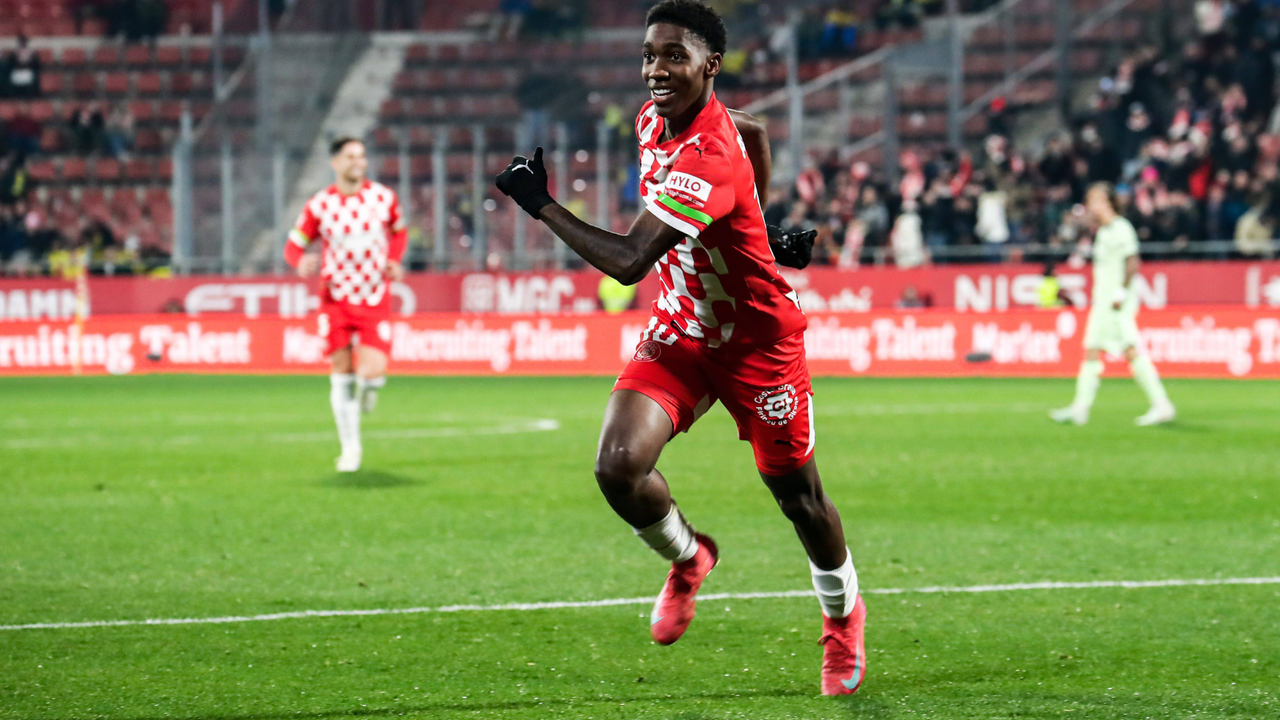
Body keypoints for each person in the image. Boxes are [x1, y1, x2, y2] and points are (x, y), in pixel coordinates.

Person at [493, 0, 865, 697]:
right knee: (617, 468)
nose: (655, 69)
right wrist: (760, 227)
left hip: (757, 345)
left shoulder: (709, 156)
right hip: (683, 328)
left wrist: (537, 201)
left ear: (710, 64)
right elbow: (755, 129)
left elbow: (631, 261)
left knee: (800, 500)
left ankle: (843, 620)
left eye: (673, 55)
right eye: (648, 54)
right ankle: (690, 558)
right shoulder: (653, 119)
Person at [283, 137, 406, 472]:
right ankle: (350, 448)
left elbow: (400, 232)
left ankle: (369, 388)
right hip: (335, 298)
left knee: (373, 373)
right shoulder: (320, 204)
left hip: (373, 295)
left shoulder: (383, 198)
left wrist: (394, 260)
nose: (357, 162)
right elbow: (293, 246)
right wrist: (300, 262)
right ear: (335, 163)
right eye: (350, 156)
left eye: (361, 156)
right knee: (341, 371)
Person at [1051, 183, 1175, 427]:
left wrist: (1121, 291)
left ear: (1108, 202)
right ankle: (1080, 409)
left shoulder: (1121, 228)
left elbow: (1133, 261)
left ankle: (1162, 404)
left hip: (1117, 303)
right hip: (1102, 302)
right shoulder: (1103, 231)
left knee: (1131, 349)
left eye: (1095, 200)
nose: (1091, 205)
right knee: (1092, 350)